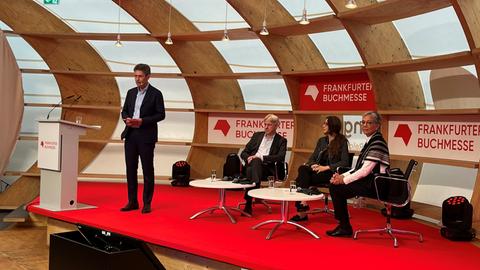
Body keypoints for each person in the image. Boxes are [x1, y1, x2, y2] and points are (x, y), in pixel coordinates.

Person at [327, 111, 390, 237]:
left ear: (377, 125)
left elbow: (365, 171)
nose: (365, 125)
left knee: (336, 188)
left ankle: (344, 227)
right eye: (363, 122)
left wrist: (343, 180)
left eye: (369, 123)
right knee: (336, 185)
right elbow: (358, 168)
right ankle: (343, 225)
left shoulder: (377, 143)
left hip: (376, 184)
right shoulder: (371, 140)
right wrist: (342, 176)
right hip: (370, 181)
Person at [120, 63, 165, 214]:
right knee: (130, 169)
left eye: (140, 76)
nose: (137, 79)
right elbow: (125, 110)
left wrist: (142, 121)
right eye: (135, 76)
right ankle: (132, 201)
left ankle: (147, 202)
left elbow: (161, 114)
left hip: (146, 136)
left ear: (148, 76)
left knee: (147, 170)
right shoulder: (131, 92)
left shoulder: (156, 94)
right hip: (130, 134)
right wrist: (126, 118)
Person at [290, 116, 350, 222]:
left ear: (333, 125)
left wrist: (326, 167)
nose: (323, 126)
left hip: (331, 174)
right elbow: (312, 158)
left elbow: (345, 162)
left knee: (300, 180)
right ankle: (304, 201)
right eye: (323, 123)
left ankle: (302, 212)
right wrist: (313, 164)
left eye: (326, 124)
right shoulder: (322, 141)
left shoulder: (342, 141)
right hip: (318, 172)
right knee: (303, 168)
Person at [240, 114, 287, 215]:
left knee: (256, 162)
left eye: (269, 125)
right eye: (265, 124)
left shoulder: (281, 140)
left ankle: (248, 202)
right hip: (252, 166)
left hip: (267, 169)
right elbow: (243, 152)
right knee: (254, 163)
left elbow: (280, 157)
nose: (266, 127)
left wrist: (261, 157)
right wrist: (248, 157)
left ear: (276, 125)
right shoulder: (257, 135)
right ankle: (255, 187)